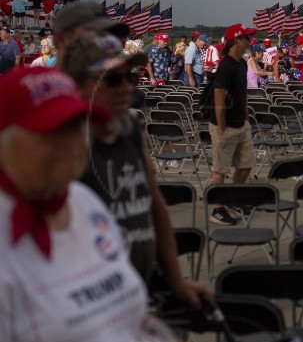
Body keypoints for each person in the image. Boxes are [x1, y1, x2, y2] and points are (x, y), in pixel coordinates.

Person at [0, 68, 159, 342]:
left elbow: (122, 305)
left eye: (77, 126)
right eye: (51, 129)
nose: (72, 142)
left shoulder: (84, 201)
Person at [60, 33, 208, 309]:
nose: (128, 88)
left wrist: (175, 279)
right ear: (79, 83)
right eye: (114, 79)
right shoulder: (64, 145)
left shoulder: (129, 130)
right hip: (90, 303)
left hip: (137, 291)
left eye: (133, 78)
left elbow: (155, 206)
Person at [208, 24, 258, 225]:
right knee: (220, 170)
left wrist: (245, 118)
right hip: (225, 125)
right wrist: (221, 128)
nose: (249, 41)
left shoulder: (242, 64)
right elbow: (219, 98)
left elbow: (242, 95)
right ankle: (218, 209)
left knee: (246, 165)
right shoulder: (226, 66)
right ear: (237, 40)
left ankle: (234, 199)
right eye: (246, 38)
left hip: (240, 124)